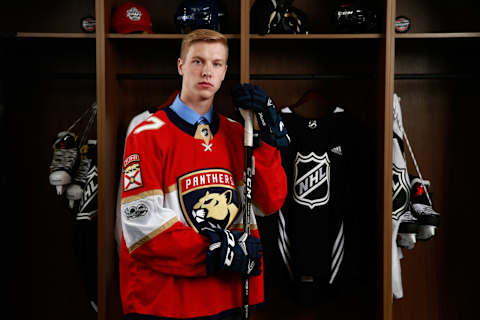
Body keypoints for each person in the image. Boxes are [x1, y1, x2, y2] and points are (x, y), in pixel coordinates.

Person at [119, 29, 289, 320]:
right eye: (197, 61)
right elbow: (142, 226)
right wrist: (216, 249)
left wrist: (268, 143)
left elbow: (268, 203)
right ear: (180, 66)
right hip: (167, 302)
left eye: (216, 63)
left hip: (228, 296)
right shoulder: (147, 134)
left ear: (225, 72)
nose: (207, 71)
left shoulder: (239, 133)